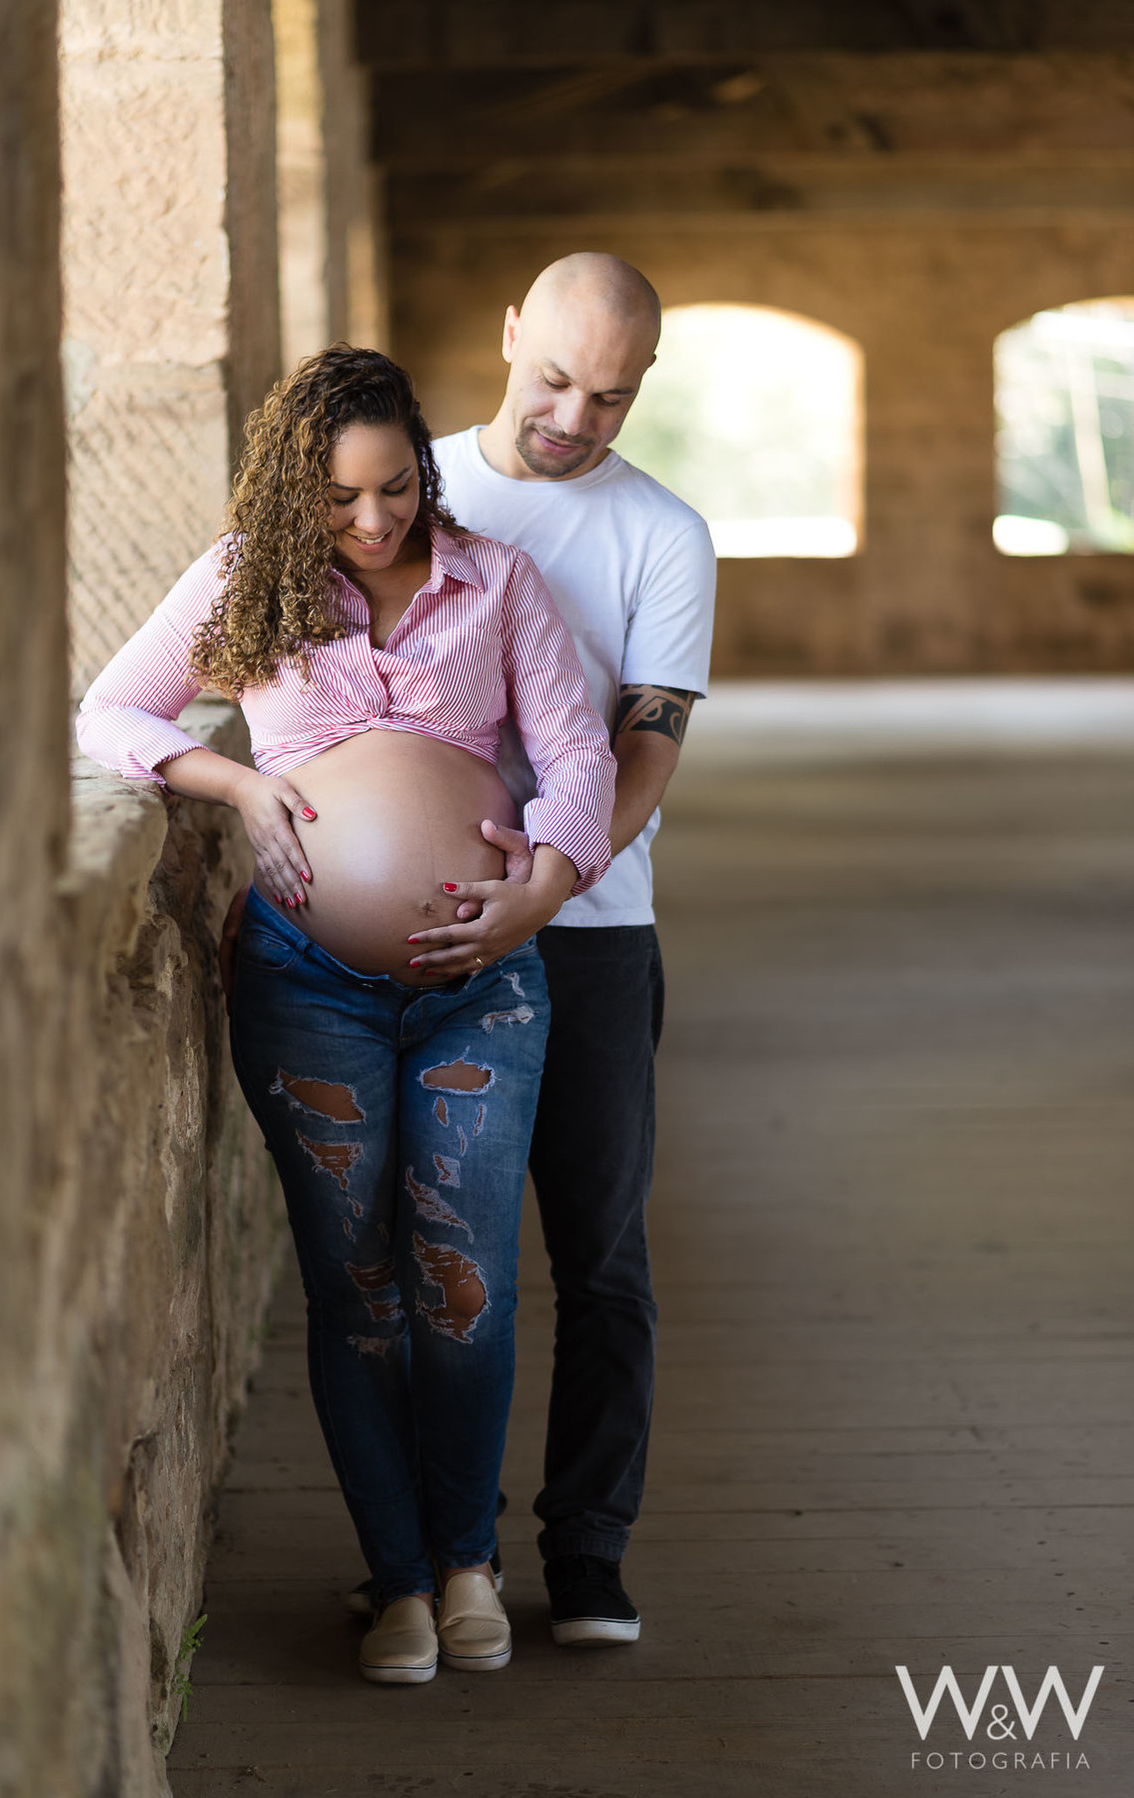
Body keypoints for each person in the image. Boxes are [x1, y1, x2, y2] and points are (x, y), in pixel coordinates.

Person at [76, 346, 616, 1684]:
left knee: (464, 1280)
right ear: (288, 494)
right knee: (356, 1282)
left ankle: (471, 1560)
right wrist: (242, 787)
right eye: (337, 499)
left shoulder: (496, 582)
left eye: (395, 489)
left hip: (480, 986)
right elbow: (111, 714)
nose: (373, 522)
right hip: (305, 985)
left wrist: (535, 893)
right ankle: (398, 1578)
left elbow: (578, 757)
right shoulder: (239, 584)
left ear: (425, 472)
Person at [421, 252, 716, 1645]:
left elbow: (647, 738)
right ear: (504, 336)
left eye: (609, 396)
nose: (571, 418)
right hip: (419, 927)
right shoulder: (398, 487)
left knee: (600, 1255)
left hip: (593, 931)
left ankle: (588, 1552)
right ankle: (434, 1550)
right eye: (551, 379)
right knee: (434, 1254)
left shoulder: (663, 531)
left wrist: (554, 880)